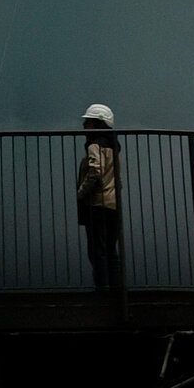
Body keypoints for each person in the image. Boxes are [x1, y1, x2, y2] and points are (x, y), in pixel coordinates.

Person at [76, 103, 122, 292]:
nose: (84, 126)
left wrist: (81, 192)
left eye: (87, 122)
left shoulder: (94, 144)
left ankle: (102, 289)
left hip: (97, 203)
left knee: (97, 250)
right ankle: (116, 288)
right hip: (113, 203)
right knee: (111, 249)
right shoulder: (114, 144)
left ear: (96, 123)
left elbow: (95, 171)